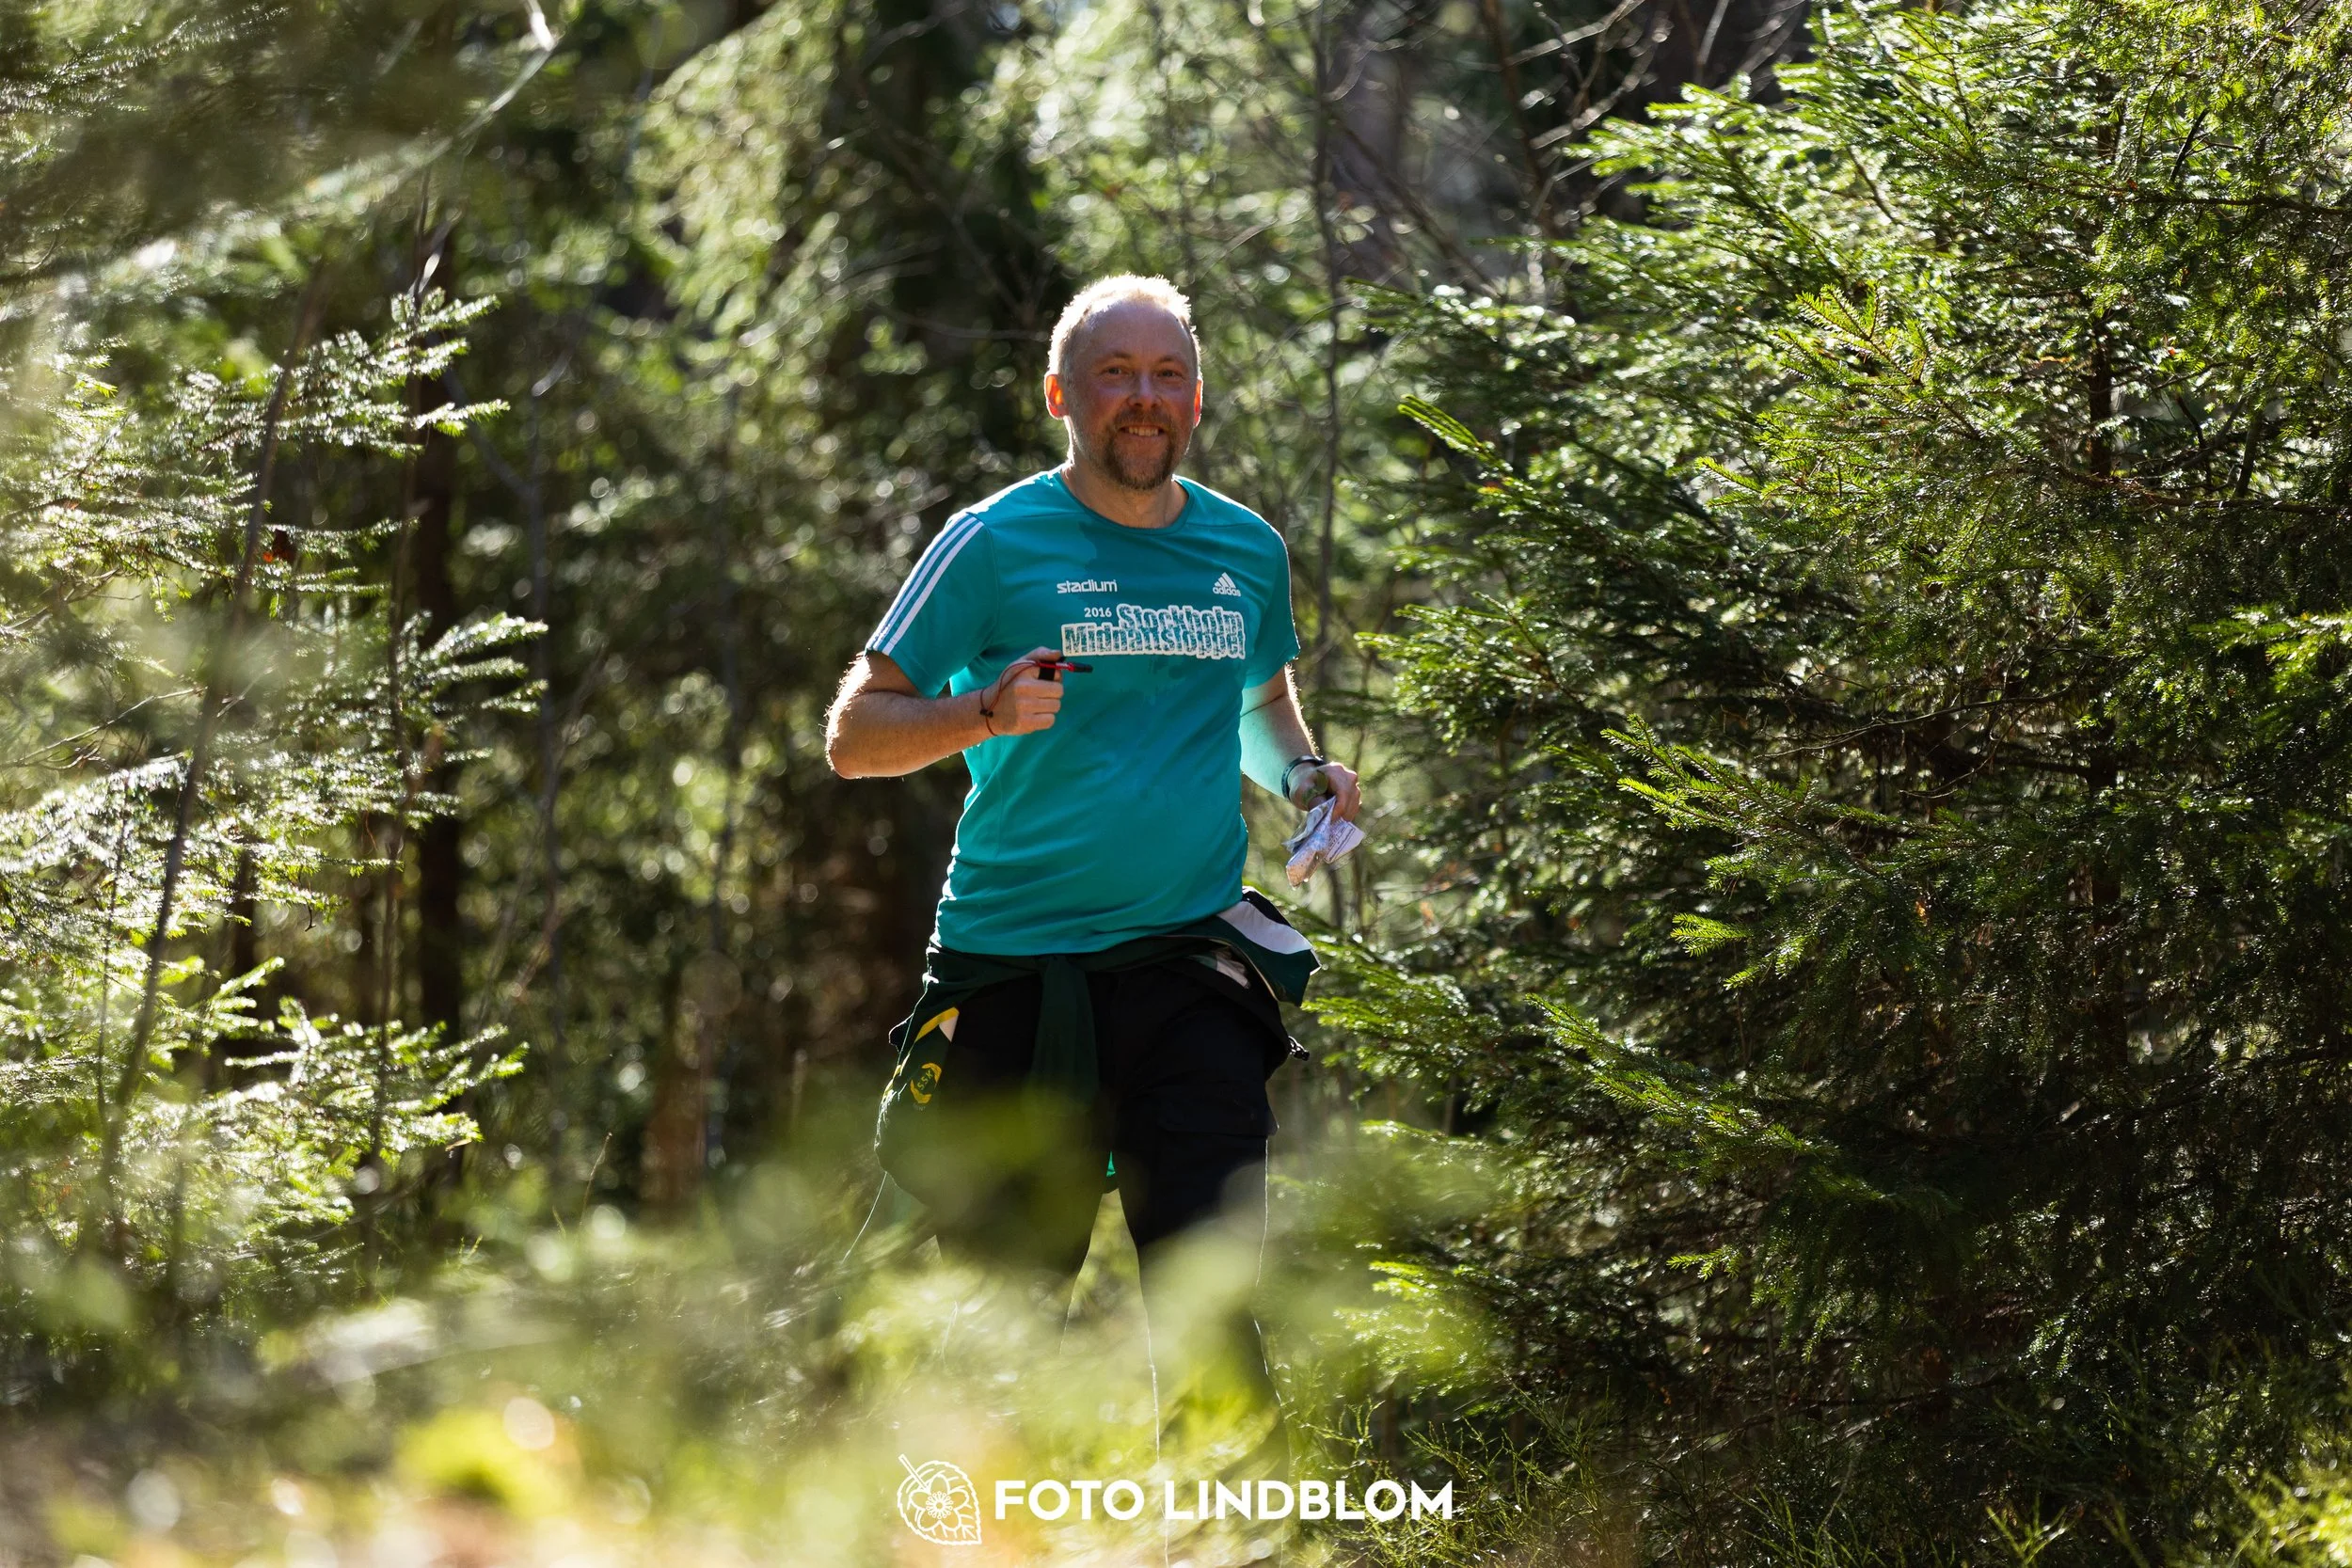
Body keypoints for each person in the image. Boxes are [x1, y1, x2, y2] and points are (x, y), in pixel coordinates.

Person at [824, 274, 1361, 1460]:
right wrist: (982, 713)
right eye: (1114, 373)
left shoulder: (1242, 547)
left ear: (1197, 399)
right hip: (1016, 974)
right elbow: (855, 734)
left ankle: (1226, 1522)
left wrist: (1304, 775)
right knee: (995, 1311)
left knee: (1211, 1297)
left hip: (1188, 965)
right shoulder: (991, 541)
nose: (1143, 397)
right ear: (1062, 394)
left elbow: (1256, 700)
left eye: (1166, 374)